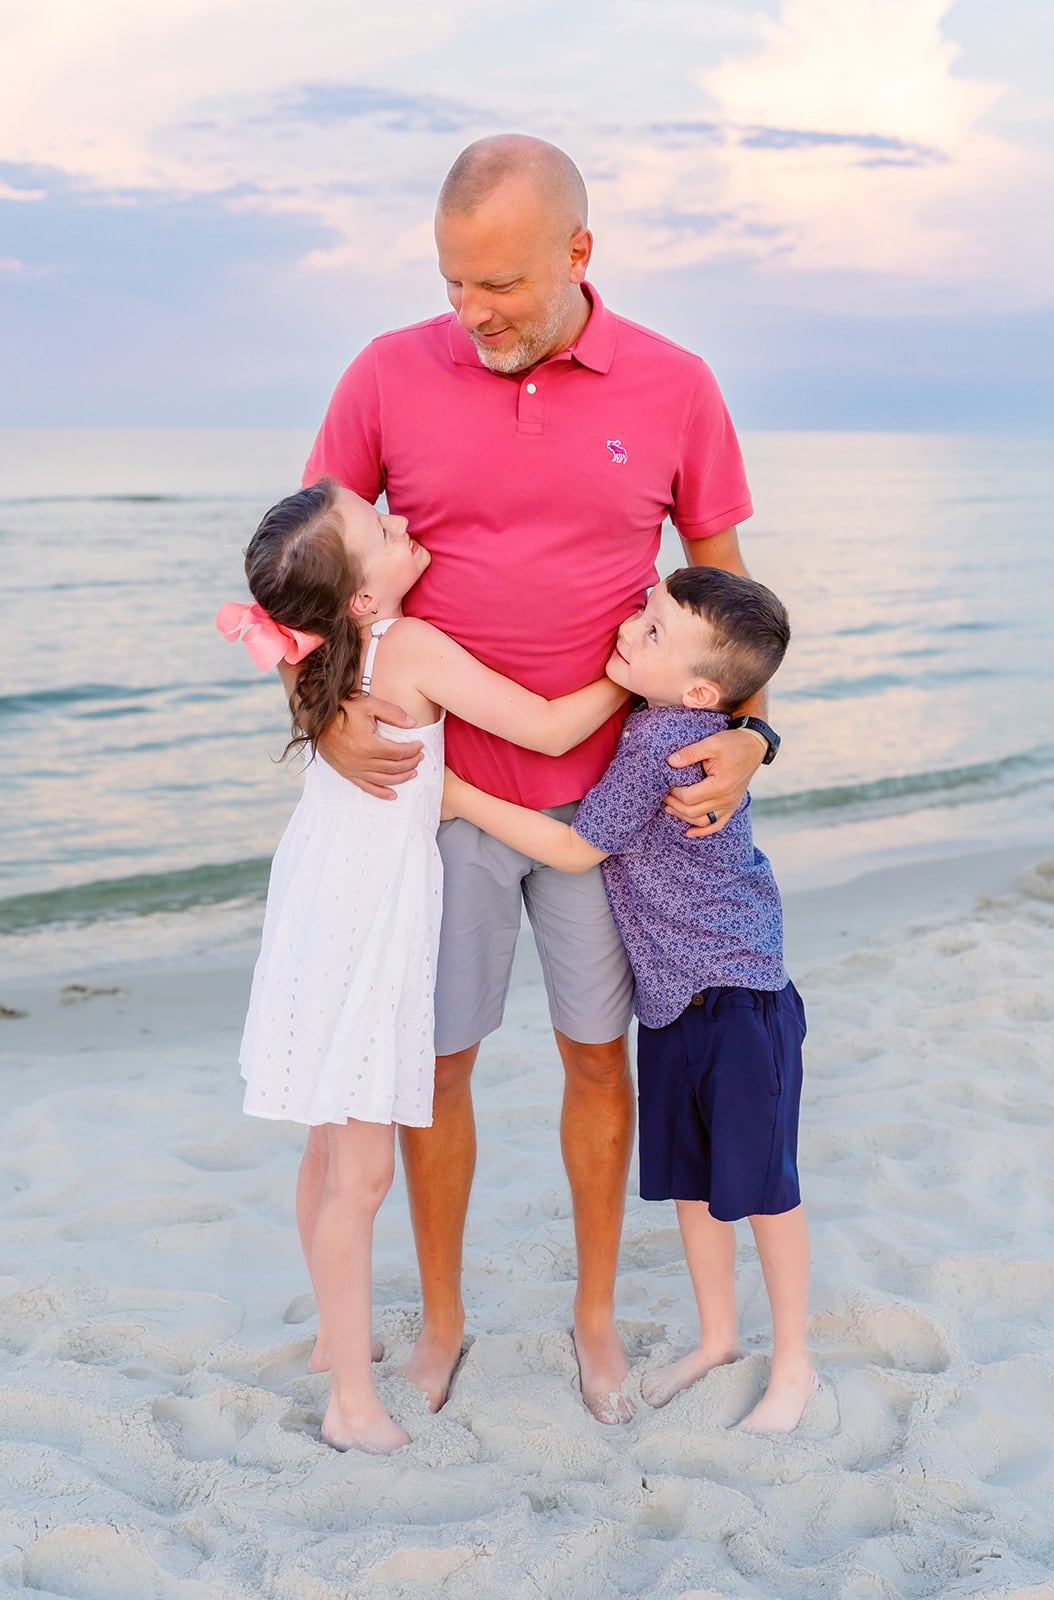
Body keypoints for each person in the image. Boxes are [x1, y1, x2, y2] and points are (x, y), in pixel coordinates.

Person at [301, 133, 780, 1422]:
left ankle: (593, 1316)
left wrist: (750, 737)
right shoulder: (386, 373)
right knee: (435, 1067)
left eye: (500, 283)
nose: (473, 313)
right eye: (454, 282)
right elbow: (304, 580)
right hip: (438, 804)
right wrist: (329, 716)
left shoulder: (675, 385)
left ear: (577, 252)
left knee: (594, 1062)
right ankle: (444, 1319)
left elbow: (731, 609)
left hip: (603, 813)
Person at [219, 479, 628, 1453]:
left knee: (327, 1145)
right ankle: (352, 1401)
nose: (403, 523)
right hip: (366, 916)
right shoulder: (404, 644)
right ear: (359, 597)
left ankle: (331, 1335)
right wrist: (628, 670)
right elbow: (546, 728)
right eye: (382, 528)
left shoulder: (323, 646)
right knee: (357, 1173)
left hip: (317, 893)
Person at [442, 568, 816, 1433]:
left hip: (734, 991)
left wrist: (459, 795)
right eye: (642, 614)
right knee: (693, 1177)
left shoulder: (660, 742)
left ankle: (792, 1359)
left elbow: (576, 850)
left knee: (765, 1185)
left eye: (650, 631)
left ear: (696, 688)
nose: (629, 629)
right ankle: (718, 1337)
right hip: (674, 998)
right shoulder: (665, 717)